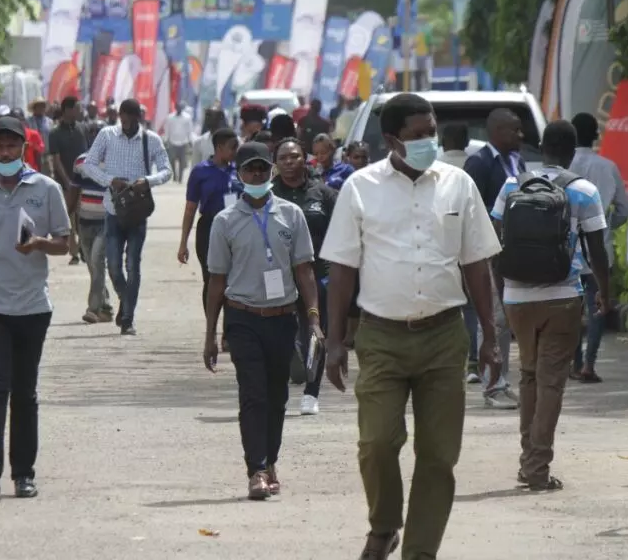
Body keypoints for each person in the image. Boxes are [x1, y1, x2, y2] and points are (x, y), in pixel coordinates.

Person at [320, 93, 502, 559]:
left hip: (445, 337)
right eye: (418, 135)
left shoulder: (458, 185)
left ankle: (420, 550)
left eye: (432, 132)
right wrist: (335, 342)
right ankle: (384, 525)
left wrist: (491, 336)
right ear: (391, 139)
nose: (428, 142)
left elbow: (477, 263)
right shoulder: (360, 188)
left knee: (439, 456)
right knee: (377, 442)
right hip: (381, 336)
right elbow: (341, 269)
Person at [491, 120, 611, 491]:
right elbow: (596, 249)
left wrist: (502, 292)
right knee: (551, 384)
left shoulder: (513, 184)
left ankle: (529, 460)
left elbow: (496, 241)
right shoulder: (584, 190)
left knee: (528, 376)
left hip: (517, 298)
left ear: (540, 148)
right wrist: (603, 291)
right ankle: (537, 468)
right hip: (562, 297)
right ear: (573, 151)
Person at [202, 141, 320, 500]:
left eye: (261, 168)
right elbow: (216, 281)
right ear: (238, 174)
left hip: (282, 318)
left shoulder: (291, 214)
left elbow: (305, 271)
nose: (256, 174)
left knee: (276, 396)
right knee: (252, 395)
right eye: (249, 169)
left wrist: (313, 318)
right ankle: (256, 468)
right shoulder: (224, 221)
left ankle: (270, 463)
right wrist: (210, 333)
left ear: (270, 170)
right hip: (243, 318)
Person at [0, 117, 71, 500]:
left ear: (24, 149)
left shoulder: (47, 189)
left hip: (32, 306)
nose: (6, 153)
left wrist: (40, 243)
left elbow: (65, 244)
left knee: (24, 392)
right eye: (0, 147)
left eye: (13, 147)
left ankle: (24, 473)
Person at [81, 99, 172, 335]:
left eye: (132, 119)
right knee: (113, 265)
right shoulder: (107, 135)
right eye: (124, 118)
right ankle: (125, 298)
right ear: (119, 116)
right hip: (113, 210)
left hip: (138, 212)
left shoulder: (150, 140)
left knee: (133, 264)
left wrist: (147, 181)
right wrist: (110, 179)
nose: (127, 123)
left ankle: (128, 318)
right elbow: (89, 164)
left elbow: (166, 170)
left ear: (139, 118)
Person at [271, 137, 336, 415]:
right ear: (276, 163)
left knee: (315, 333)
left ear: (305, 158)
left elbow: (341, 236)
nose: (289, 162)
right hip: (277, 279)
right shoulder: (268, 195)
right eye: (283, 158)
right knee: (280, 338)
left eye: (294, 156)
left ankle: (312, 392)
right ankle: (281, 387)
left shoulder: (324, 195)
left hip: (318, 277)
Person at [462, 109, 526, 384]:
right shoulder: (479, 164)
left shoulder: (517, 162)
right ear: (497, 132)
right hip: (487, 252)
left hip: (514, 251)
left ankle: (502, 375)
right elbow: (469, 210)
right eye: (515, 130)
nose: (520, 135)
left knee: (509, 312)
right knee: (493, 314)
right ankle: (493, 379)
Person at [569, 113, 628, 382]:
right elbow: (625, 208)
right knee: (598, 306)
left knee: (570, 308)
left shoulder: (563, 166)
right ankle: (589, 365)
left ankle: (575, 362)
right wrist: (606, 224)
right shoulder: (608, 166)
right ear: (597, 135)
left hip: (568, 250)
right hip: (598, 248)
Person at [178, 129, 240, 336]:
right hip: (209, 230)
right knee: (212, 279)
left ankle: (229, 331)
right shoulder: (200, 172)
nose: (235, 151)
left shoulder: (239, 170)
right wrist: (183, 242)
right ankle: (211, 327)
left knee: (233, 281)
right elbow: (190, 208)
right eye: (232, 147)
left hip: (235, 230)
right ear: (220, 148)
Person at [69, 153, 114, 324]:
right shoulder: (81, 161)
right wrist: (66, 218)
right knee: (93, 267)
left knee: (96, 261)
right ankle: (106, 307)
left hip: (107, 223)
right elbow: (74, 189)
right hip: (84, 223)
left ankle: (93, 309)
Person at [48, 97, 89, 265]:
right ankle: (74, 253)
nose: (80, 111)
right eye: (77, 108)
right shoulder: (55, 133)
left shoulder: (82, 128)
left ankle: (84, 248)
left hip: (84, 183)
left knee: (84, 218)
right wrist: (67, 182)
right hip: (65, 185)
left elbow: (88, 155)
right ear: (67, 110)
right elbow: (56, 160)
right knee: (69, 220)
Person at [163, 102, 194, 183]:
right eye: (177, 107)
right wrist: (166, 140)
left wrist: (190, 140)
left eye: (180, 107)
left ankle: (180, 178)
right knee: (172, 160)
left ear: (182, 108)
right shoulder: (170, 117)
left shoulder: (187, 117)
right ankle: (175, 175)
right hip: (173, 141)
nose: (179, 108)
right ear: (175, 107)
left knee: (182, 161)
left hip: (183, 142)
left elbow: (190, 130)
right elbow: (167, 129)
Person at [25, 99, 54, 174]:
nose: (41, 108)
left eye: (43, 106)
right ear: (34, 108)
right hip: (33, 156)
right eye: (39, 106)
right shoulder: (28, 121)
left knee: (49, 177)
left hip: (47, 156)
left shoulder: (50, 122)